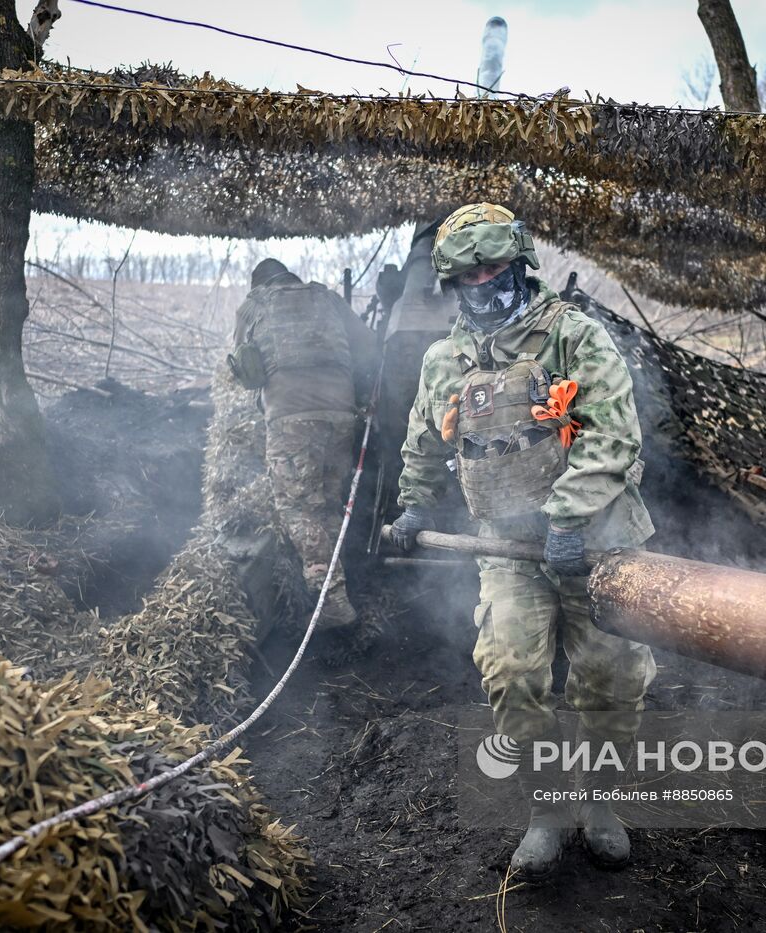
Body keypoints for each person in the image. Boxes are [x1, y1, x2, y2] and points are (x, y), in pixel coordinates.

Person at [390, 203, 656, 880]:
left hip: (597, 539)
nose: (483, 281)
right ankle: (546, 808)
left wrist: (567, 518)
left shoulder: (574, 337)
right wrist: (414, 505)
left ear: (520, 265)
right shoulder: (445, 359)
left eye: (494, 266)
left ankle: (600, 805)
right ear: (450, 282)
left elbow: (616, 436)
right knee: (511, 668)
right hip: (506, 546)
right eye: (468, 273)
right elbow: (424, 435)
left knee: (613, 675)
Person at [229, 258, 378, 646]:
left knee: (298, 507)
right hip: (341, 416)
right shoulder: (327, 299)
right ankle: (338, 581)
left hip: (290, 418)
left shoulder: (254, 305)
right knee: (327, 502)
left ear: (259, 284)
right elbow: (367, 346)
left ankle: (332, 601)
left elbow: (246, 369)